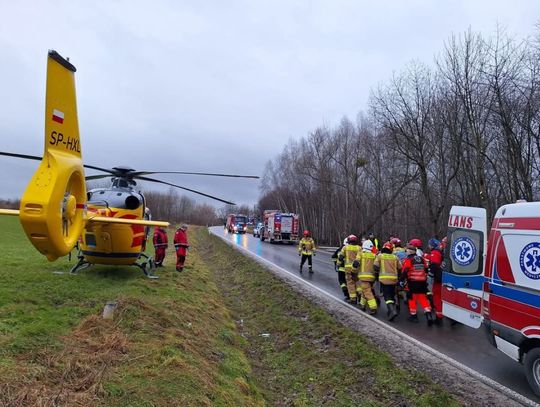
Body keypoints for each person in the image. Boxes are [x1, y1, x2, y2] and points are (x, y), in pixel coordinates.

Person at [401, 244, 434, 325]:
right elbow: (426, 269)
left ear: (409, 251)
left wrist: (401, 280)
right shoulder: (422, 259)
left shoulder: (408, 260)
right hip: (422, 283)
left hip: (412, 282)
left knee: (412, 299)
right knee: (423, 299)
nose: (406, 252)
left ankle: (414, 316)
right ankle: (428, 314)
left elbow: (405, 271)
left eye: (407, 251)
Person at [375, 242, 402, 321]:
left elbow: (375, 266)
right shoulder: (395, 257)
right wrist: (398, 277)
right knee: (392, 295)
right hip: (394, 280)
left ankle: (392, 310)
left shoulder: (380, 256)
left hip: (384, 280)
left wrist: (378, 273)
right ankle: (391, 310)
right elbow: (400, 268)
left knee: (387, 297)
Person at [339, 235, 361, 304]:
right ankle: (360, 293)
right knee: (357, 282)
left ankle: (353, 299)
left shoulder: (345, 247)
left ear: (349, 240)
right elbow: (359, 258)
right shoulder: (359, 248)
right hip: (357, 269)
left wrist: (339, 263)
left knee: (350, 283)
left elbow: (341, 257)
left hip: (348, 269)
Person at [358, 240, 378, 314]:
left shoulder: (361, 254)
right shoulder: (374, 255)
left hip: (364, 277)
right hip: (372, 277)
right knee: (365, 291)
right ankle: (362, 305)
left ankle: (373, 307)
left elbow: (356, 264)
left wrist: (353, 272)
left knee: (367, 292)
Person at [427, 238, 444, 325]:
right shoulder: (440, 252)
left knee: (437, 297)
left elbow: (434, 264)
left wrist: (430, 274)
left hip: (438, 279)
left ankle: (439, 318)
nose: (428, 246)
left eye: (429, 244)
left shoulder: (435, 253)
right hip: (442, 278)